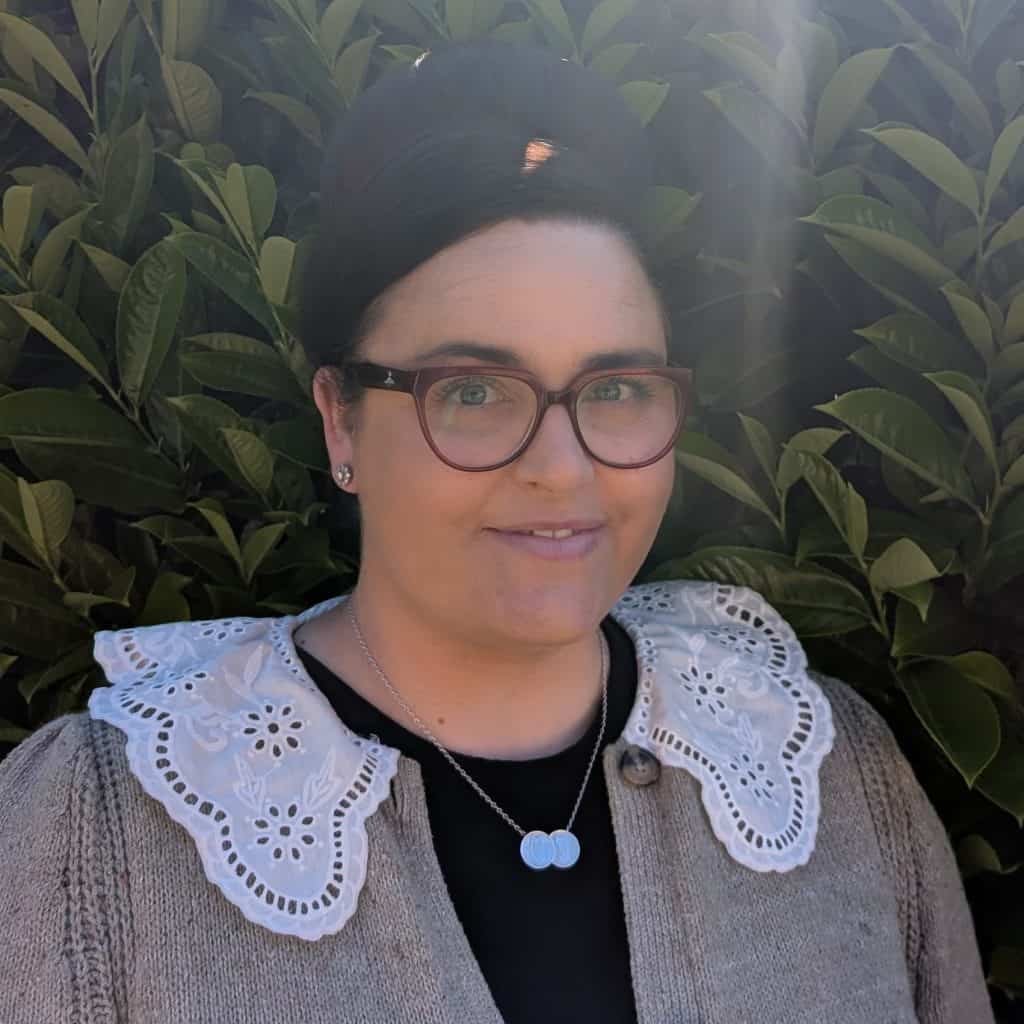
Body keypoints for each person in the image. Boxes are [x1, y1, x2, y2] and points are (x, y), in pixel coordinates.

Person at [0, 40, 994, 1024]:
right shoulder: (102, 831)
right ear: (340, 420)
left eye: (615, 388)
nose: (562, 468)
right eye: (471, 390)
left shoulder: (824, 769)